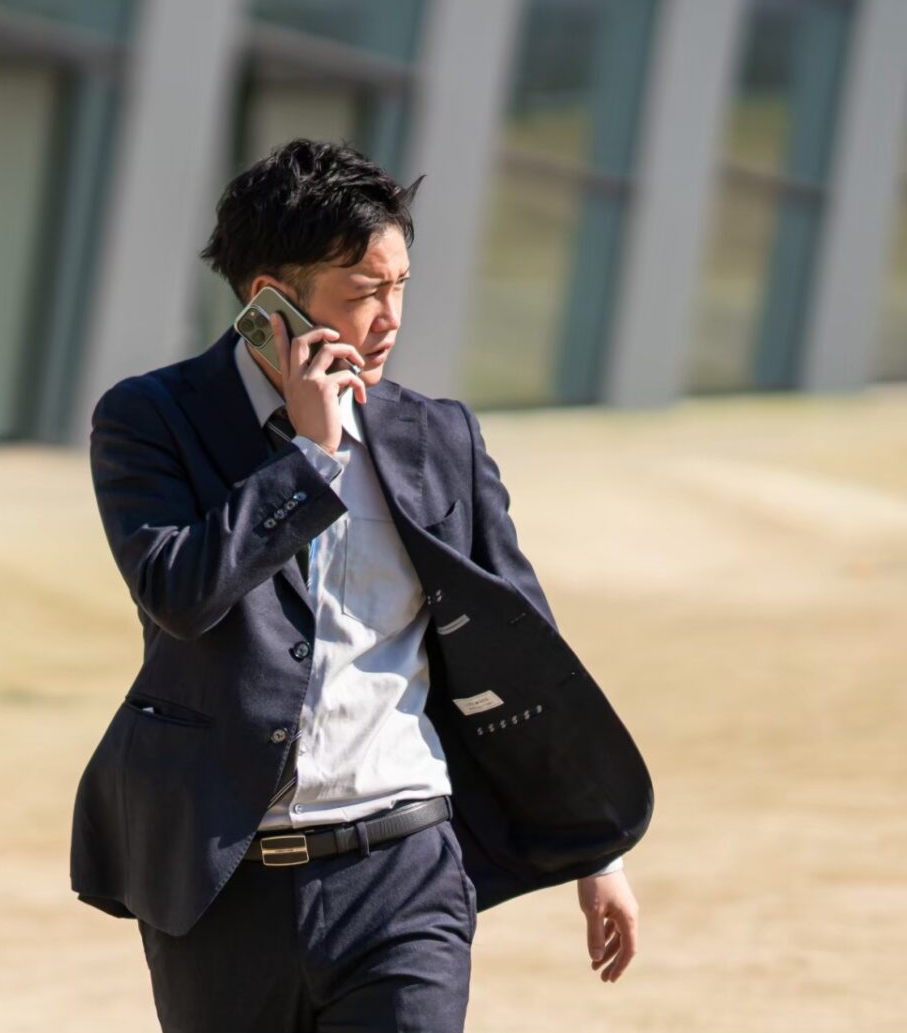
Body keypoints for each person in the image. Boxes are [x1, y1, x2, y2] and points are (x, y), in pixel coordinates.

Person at [67, 139, 651, 1032]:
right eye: (364, 291)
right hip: (222, 882)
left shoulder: (438, 438)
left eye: (400, 285)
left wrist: (596, 849)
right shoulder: (151, 420)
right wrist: (309, 456)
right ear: (270, 299)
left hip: (404, 868)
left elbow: (522, 642)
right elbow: (180, 591)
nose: (390, 318)